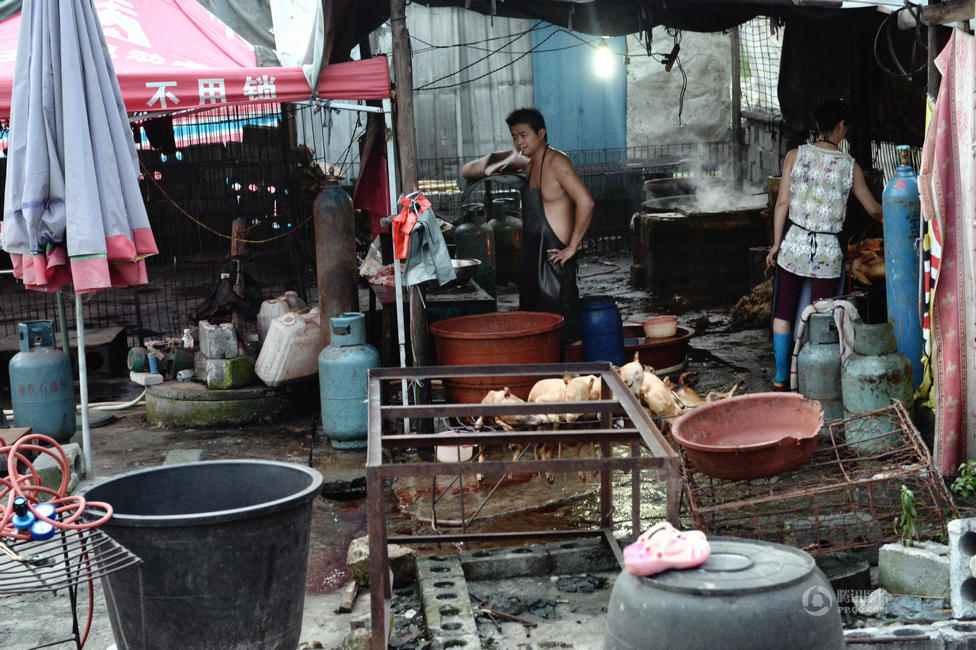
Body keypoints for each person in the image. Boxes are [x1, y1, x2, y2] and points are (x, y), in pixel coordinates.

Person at [765, 98, 883, 390]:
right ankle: (812, 380)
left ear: (818, 125)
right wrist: (898, 215)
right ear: (841, 126)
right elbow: (873, 210)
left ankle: (781, 378)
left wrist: (775, 244)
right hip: (827, 252)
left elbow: (781, 204)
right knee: (820, 316)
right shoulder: (849, 166)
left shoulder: (794, 155)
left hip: (794, 245)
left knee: (783, 312)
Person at [505, 108, 595, 346]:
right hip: (533, 258)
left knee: (566, 331)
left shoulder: (557, 162)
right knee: (537, 330)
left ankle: (574, 380)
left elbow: (586, 202)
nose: (518, 142)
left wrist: (572, 246)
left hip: (557, 260)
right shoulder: (530, 165)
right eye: (514, 136)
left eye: (523, 135)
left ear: (541, 133)